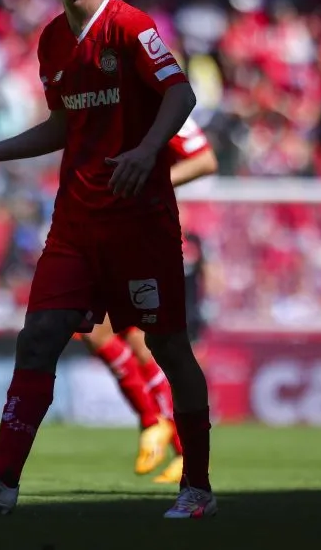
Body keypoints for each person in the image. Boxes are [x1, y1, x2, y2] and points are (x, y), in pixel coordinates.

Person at [0, 0, 216, 519]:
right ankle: (1, 479)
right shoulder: (52, 40)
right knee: (39, 340)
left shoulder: (131, 27)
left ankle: (198, 487)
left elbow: (181, 93)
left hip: (140, 222)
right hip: (76, 225)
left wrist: (145, 150)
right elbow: (63, 123)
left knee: (168, 346)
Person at [78, 117, 216, 484]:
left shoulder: (164, 101)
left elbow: (205, 161)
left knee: (146, 340)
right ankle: (158, 426)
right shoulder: (106, 99)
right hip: (111, 226)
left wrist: (149, 184)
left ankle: (178, 444)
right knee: (97, 330)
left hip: (150, 229)